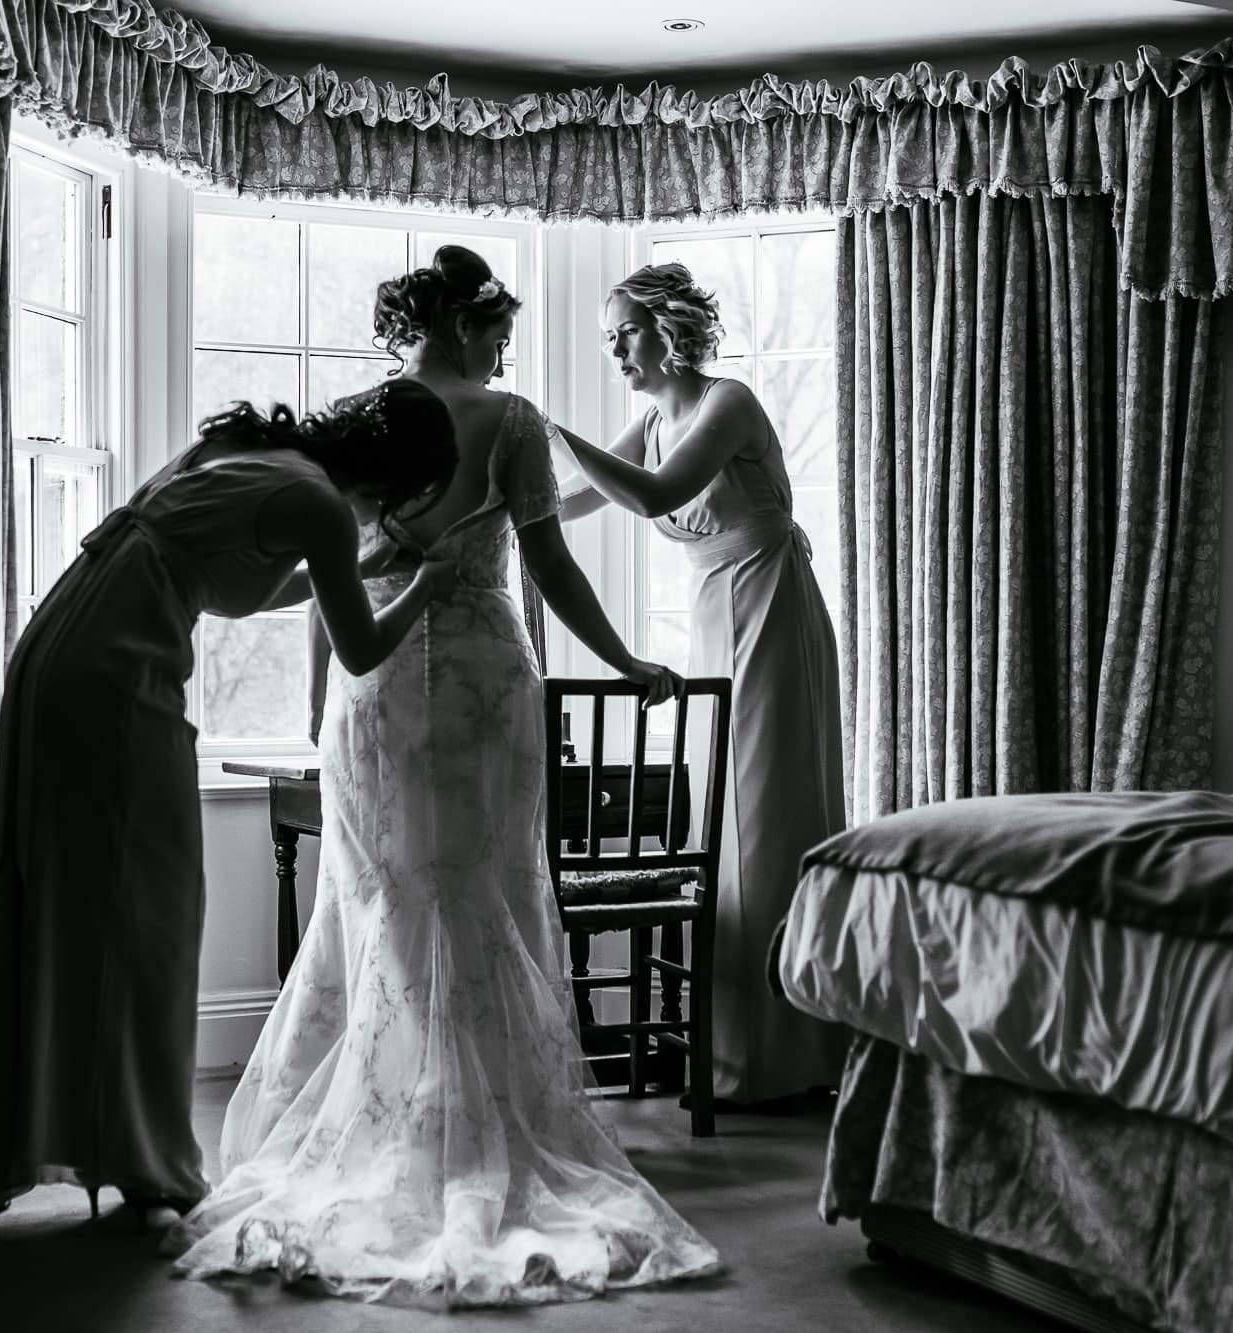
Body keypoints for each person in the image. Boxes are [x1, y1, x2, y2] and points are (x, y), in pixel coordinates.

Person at [164, 246, 721, 1306]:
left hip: (368, 692)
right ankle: (470, 1126)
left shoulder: (357, 417)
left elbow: (337, 577)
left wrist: (318, 711)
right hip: (475, 676)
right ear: (469, 324)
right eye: (499, 330)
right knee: (477, 891)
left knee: (376, 896)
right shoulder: (506, 419)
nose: (504, 349)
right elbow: (550, 569)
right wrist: (627, 663)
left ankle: (395, 1112)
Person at [0, 381, 463, 1229]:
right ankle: (149, 1160)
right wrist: (425, 586)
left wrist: (354, 570)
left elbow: (226, 584)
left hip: (58, 648)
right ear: (391, 478)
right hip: (115, 673)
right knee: (147, 910)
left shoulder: (246, 454)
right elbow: (365, 649)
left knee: (79, 900)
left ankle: (87, 1136)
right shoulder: (319, 504)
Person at [554, 261, 846, 1107]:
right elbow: (572, 500)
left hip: (767, 603)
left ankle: (780, 1057)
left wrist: (542, 426)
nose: (614, 352)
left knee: (763, 814)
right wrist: (502, 490)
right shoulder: (650, 419)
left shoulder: (727, 402)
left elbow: (652, 496)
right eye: (605, 339)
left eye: (624, 334)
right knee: (719, 818)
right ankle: (731, 1047)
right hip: (713, 611)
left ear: (667, 327)